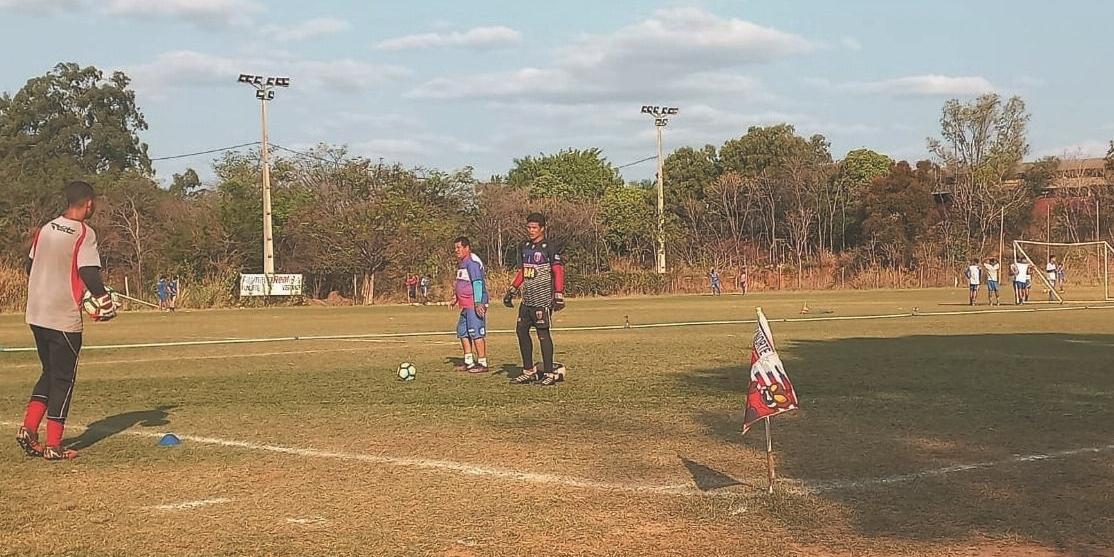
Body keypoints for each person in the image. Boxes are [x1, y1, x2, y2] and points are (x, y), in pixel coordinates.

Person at [16, 181, 117, 461]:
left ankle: (28, 429)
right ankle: (53, 445)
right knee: (63, 379)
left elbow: (29, 266)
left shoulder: (46, 229)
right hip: (62, 317)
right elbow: (88, 271)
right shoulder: (84, 232)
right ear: (89, 204)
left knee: (49, 372)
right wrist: (102, 298)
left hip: (36, 313)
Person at [504, 213, 566, 386]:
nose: (531, 231)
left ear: (542, 228)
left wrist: (559, 294)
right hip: (527, 299)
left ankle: (548, 373)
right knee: (521, 331)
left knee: (542, 334)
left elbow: (558, 271)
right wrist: (512, 289)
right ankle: (529, 371)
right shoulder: (525, 246)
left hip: (543, 299)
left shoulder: (549, 247)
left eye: (534, 228)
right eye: (529, 227)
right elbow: (524, 271)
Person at [451, 237, 489, 373]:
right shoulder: (462, 263)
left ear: (467, 248)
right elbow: (462, 282)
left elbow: (477, 282)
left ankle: (482, 363)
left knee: (476, 332)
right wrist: (456, 297)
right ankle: (469, 362)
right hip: (465, 305)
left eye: (458, 248)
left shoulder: (472, 263)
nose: (456, 250)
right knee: (462, 332)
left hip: (474, 304)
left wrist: (478, 302)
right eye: (455, 248)